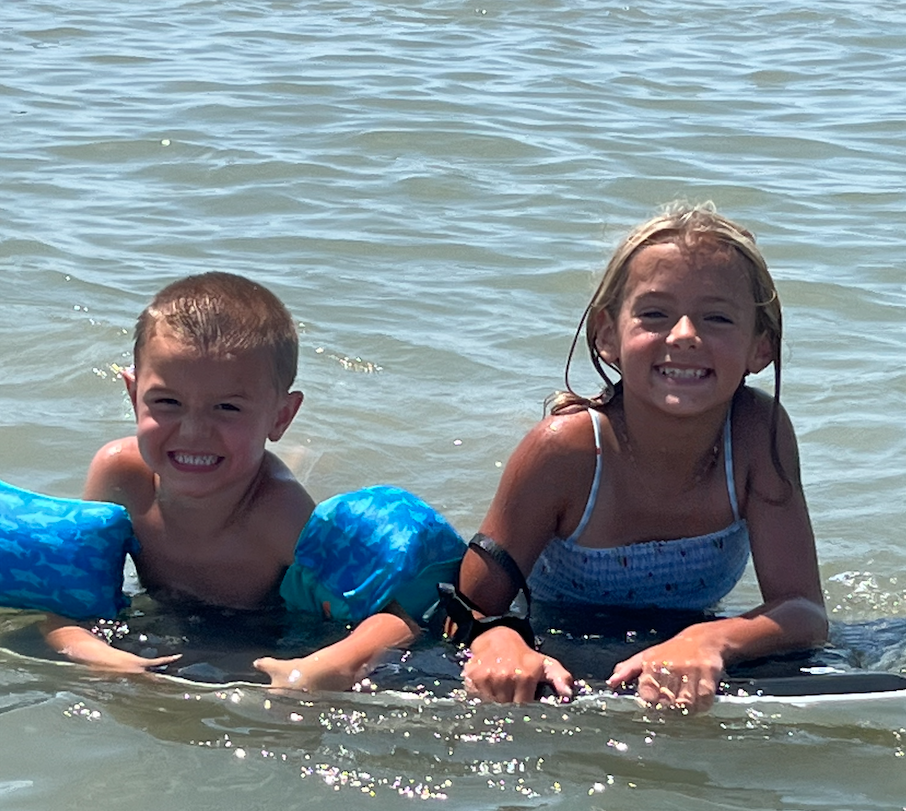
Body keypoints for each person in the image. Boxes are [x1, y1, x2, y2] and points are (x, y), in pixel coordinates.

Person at [452, 203, 827, 712]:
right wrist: (502, 644)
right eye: (654, 313)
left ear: (760, 347)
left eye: (717, 317)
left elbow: (804, 611)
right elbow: (466, 607)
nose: (684, 334)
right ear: (608, 334)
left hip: (685, 640)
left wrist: (708, 640)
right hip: (557, 641)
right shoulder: (564, 451)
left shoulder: (759, 434)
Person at [42, 272, 430, 690]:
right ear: (134, 396)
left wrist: (329, 664)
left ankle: (301, 457)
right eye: (167, 402)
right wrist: (91, 652)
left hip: (265, 631)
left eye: (226, 408)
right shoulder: (120, 476)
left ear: (281, 416)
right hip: (171, 616)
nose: (193, 431)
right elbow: (69, 601)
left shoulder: (281, 516)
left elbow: (401, 616)